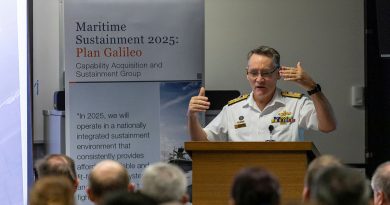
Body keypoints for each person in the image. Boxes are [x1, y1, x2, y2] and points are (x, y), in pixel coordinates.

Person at [187, 45, 336, 141]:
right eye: (253, 73)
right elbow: (202, 142)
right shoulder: (233, 109)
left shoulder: (296, 104)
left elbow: (328, 126)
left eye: (265, 73)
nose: (259, 79)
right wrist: (192, 117)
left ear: (278, 74)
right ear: (247, 74)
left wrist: (312, 87)